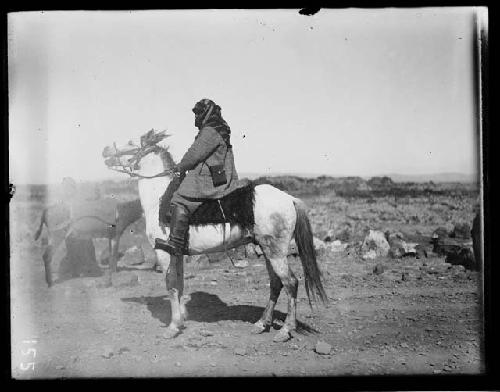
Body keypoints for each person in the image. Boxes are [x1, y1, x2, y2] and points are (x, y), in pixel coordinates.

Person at [154, 98, 240, 255]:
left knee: (179, 197)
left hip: (210, 178)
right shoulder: (218, 128)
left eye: (199, 113)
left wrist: (179, 168)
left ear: (206, 113)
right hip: (218, 173)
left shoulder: (209, 131)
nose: (196, 117)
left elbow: (194, 155)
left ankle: (176, 243)